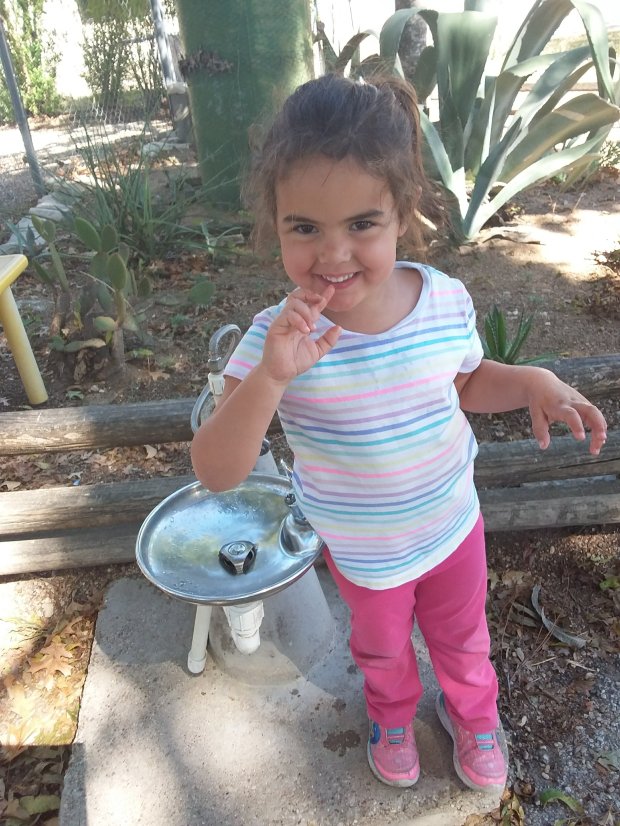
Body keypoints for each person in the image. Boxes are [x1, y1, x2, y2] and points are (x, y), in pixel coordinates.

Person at [191, 73, 607, 791]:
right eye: (304, 228)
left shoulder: (443, 300)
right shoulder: (273, 340)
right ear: (275, 224)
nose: (334, 255)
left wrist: (530, 381)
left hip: (452, 528)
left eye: (362, 224)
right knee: (382, 650)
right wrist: (271, 378)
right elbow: (217, 471)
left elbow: (465, 382)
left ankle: (475, 716)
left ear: (402, 213)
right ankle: (391, 715)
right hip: (364, 552)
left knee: (464, 640)